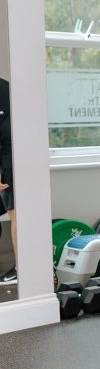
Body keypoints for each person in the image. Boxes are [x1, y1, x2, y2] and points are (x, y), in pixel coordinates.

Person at [0, 77, 16, 286]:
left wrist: (2, 172)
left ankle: (23, 268)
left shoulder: (4, 90)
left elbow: (7, 137)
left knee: (16, 213)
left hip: (10, 162)